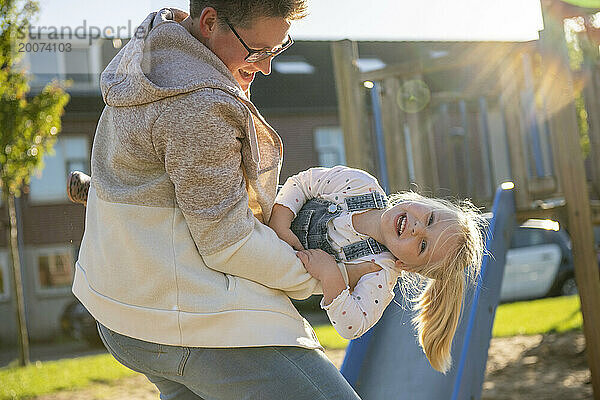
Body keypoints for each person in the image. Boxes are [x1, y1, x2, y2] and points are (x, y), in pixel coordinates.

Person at [72, 3, 373, 399]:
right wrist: (327, 274)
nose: (265, 67)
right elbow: (230, 244)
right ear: (210, 22)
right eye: (256, 51)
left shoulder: (150, 68)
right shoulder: (197, 107)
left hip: (122, 312)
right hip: (188, 318)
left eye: (277, 49)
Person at [267, 165, 487, 373]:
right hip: (267, 208)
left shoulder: (379, 272)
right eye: (430, 219)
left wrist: (330, 275)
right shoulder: (361, 185)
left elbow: (352, 326)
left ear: (407, 266)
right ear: (422, 200)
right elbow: (304, 182)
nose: (417, 228)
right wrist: (280, 222)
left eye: (422, 246)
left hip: (273, 265)